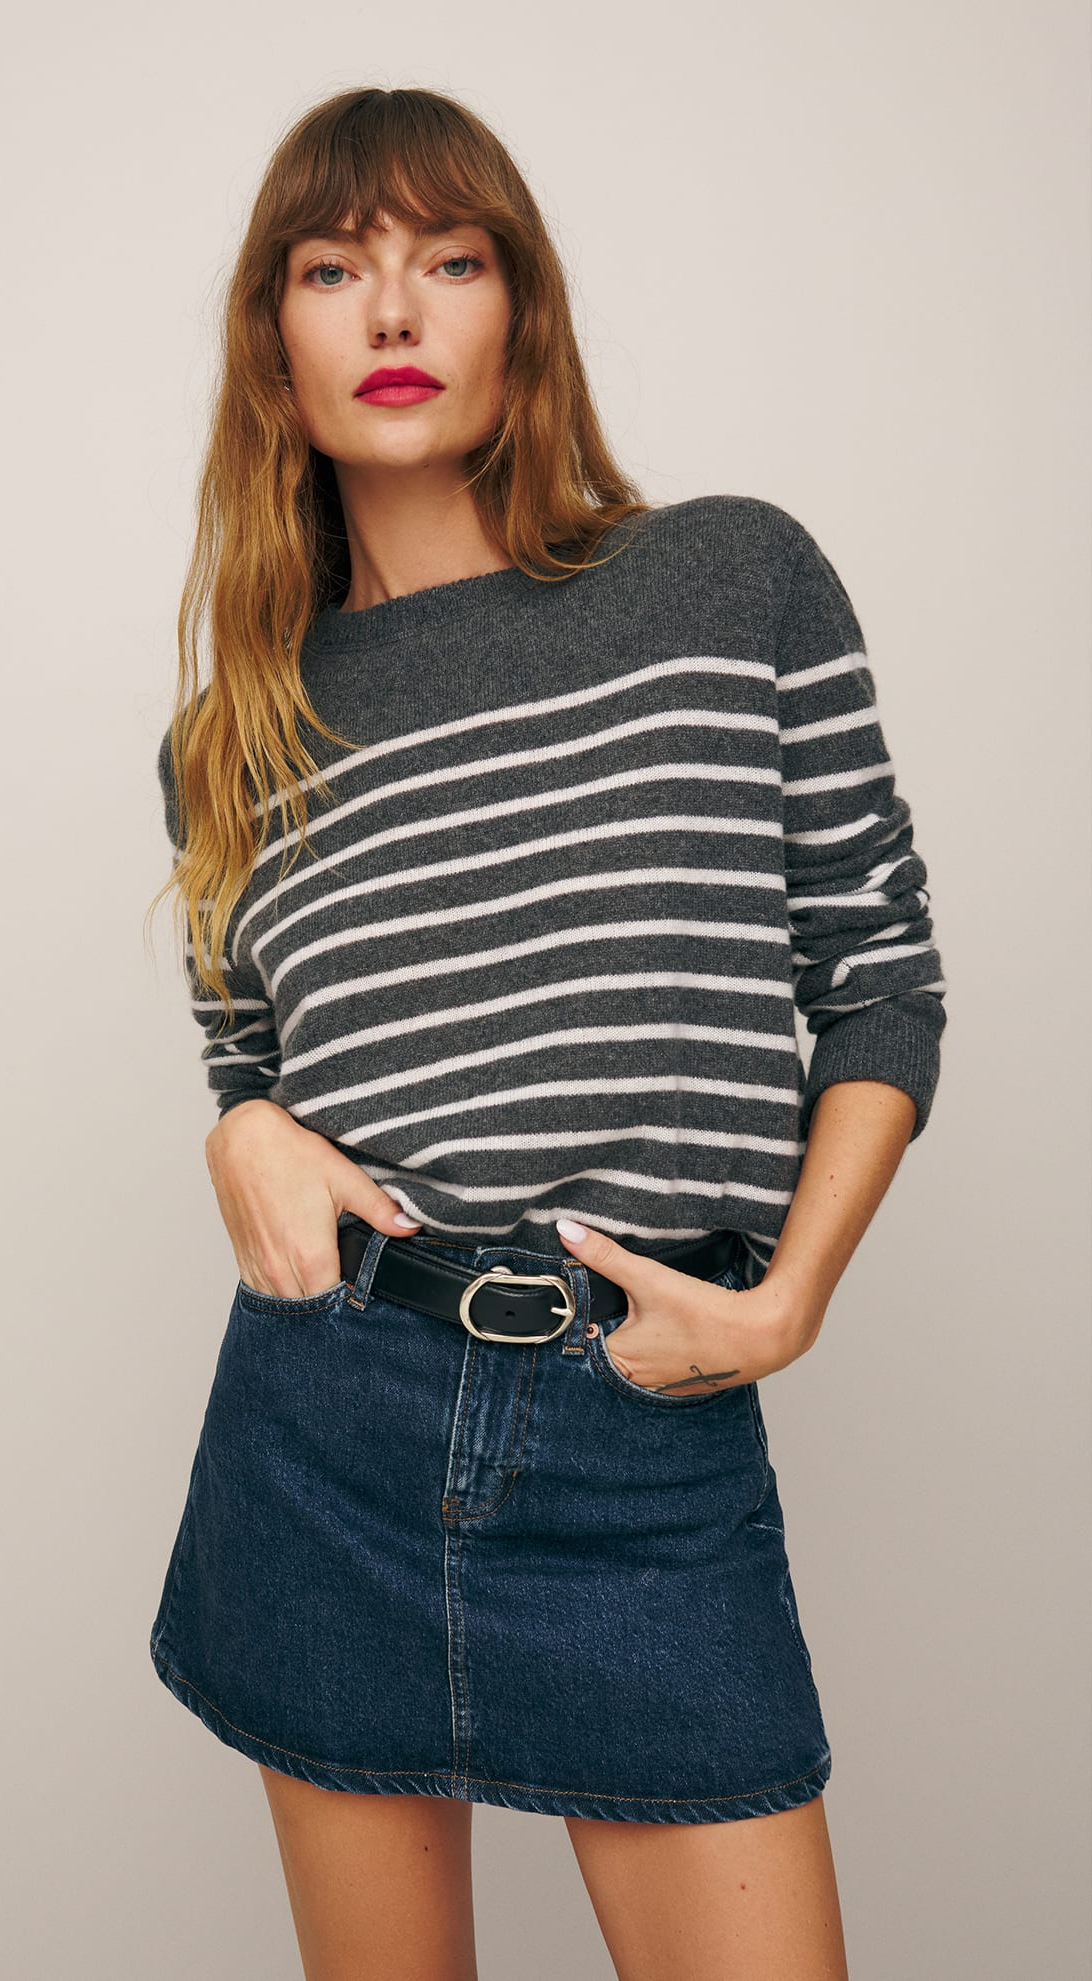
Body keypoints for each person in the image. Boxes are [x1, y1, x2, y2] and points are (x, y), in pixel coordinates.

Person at [146, 84, 945, 1981]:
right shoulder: (226, 741)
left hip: (640, 1432)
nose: (394, 313)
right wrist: (235, 1129)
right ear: (276, 350)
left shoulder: (727, 580)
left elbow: (880, 973)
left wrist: (785, 1297)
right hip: (327, 1426)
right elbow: (253, 1059)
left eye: (450, 258)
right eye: (334, 270)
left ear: (523, 311)